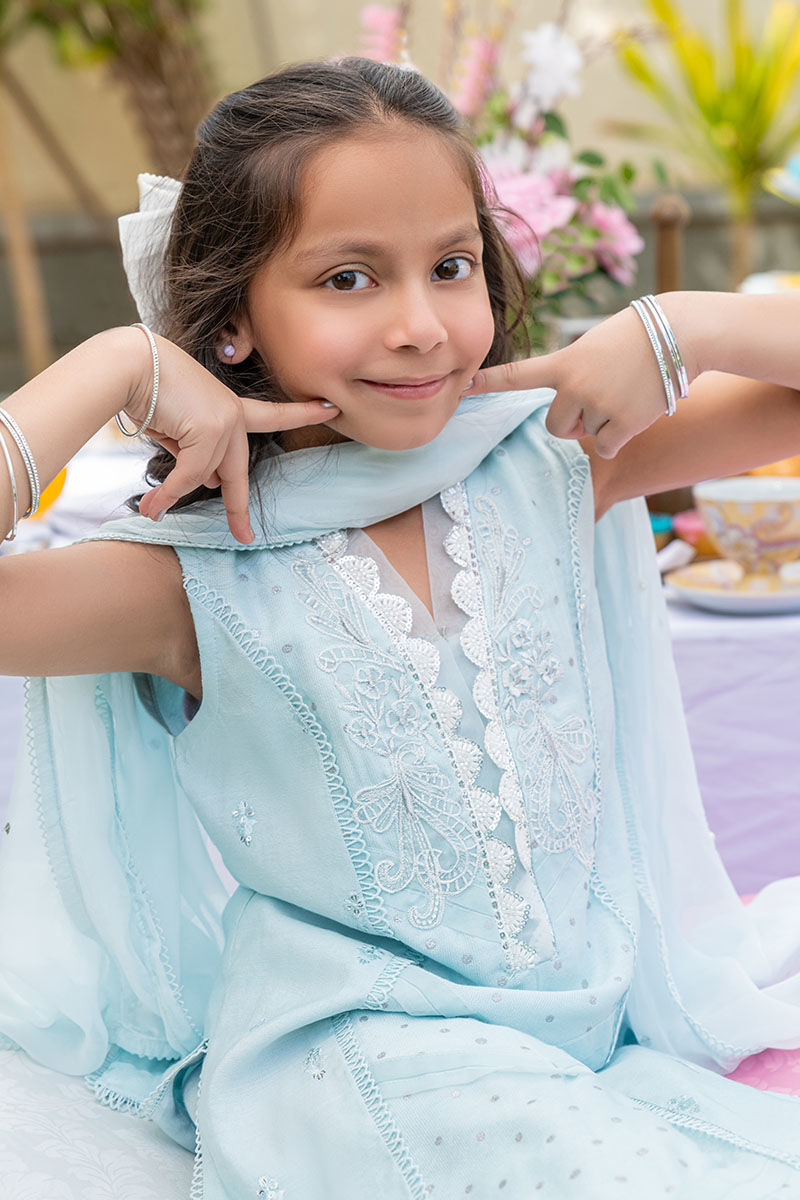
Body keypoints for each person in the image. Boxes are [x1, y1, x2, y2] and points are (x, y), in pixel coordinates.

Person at [0, 56, 799, 1200]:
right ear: (232, 324)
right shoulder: (192, 581)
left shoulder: (550, 466)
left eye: (450, 266)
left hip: (579, 1037)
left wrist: (679, 326)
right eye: (348, 279)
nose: (421, 326)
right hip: (359, 1067)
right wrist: (117, 362)